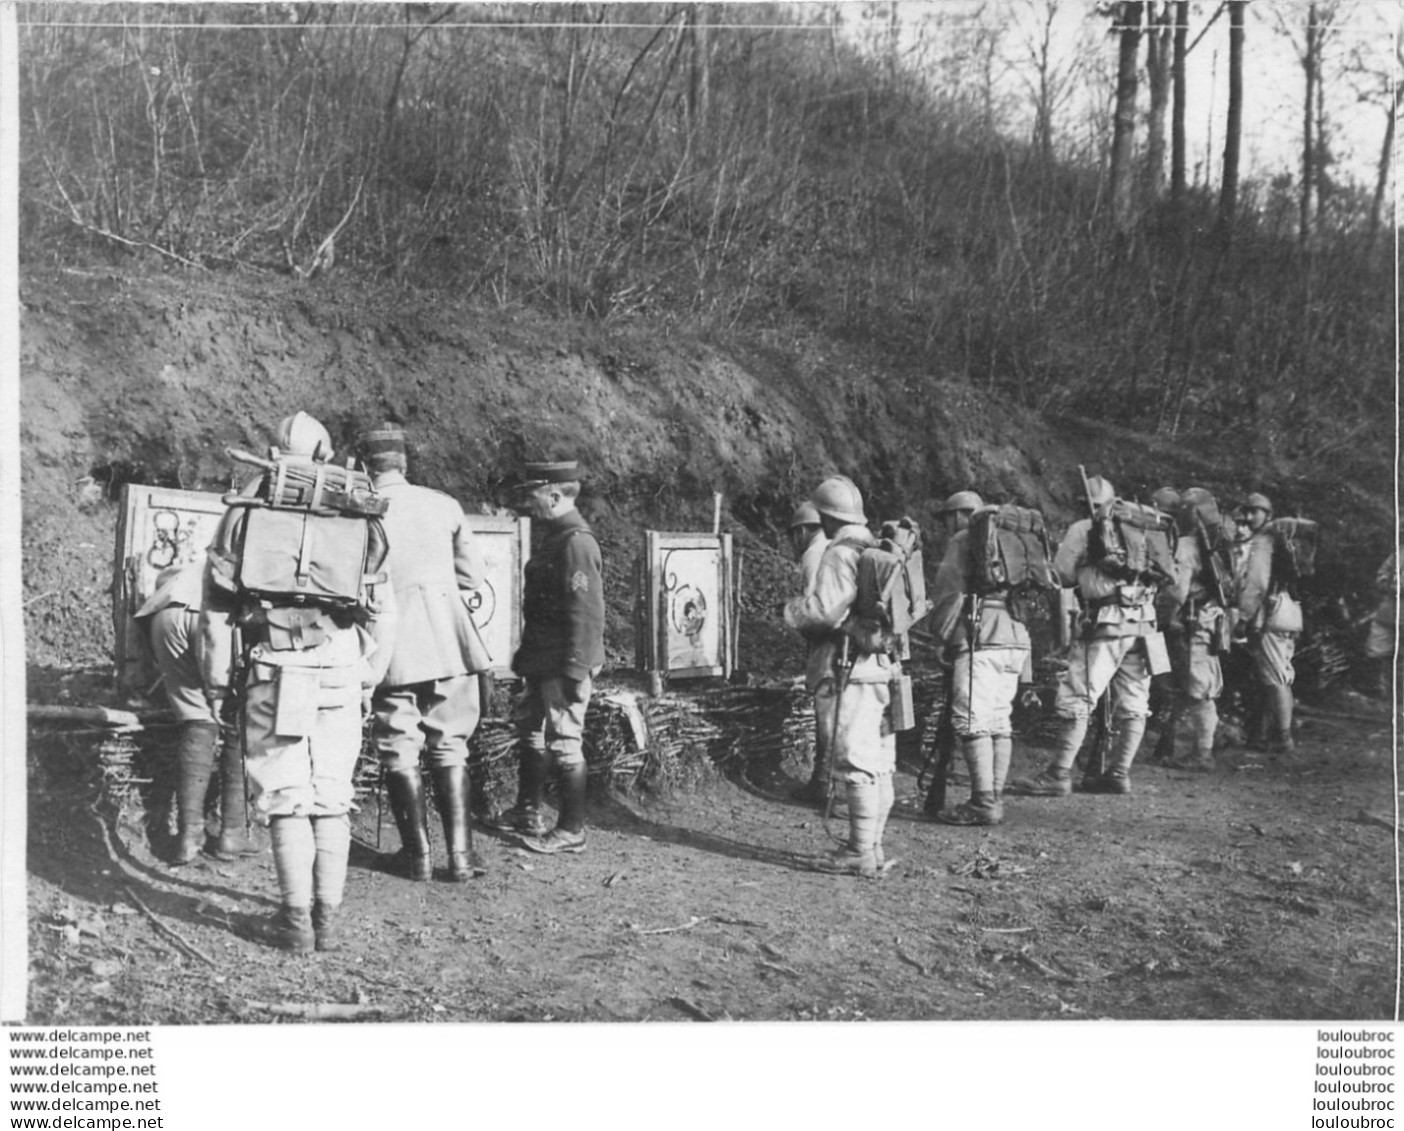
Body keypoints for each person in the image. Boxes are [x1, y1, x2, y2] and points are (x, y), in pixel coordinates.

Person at [200, 411, 397, 953]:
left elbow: (216, 610)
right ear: (324, 453)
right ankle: (327, 921)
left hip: (275, 667)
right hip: (340, 663)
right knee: (332, 798)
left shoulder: (248, 504)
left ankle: (294, 923)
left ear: (272, 449)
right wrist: (368, 678)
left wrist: (217, 685)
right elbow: (384, 604)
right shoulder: (356, 503)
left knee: (287, 798)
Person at [359, 422, 493, 883]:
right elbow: (473, 577)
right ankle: (460, 857)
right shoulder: (444, 504)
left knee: (399, 744)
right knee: (452, 741)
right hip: (449, 641)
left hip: (393, 643)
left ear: (363, 466)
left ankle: (416, 857)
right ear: (405, 464)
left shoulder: (362, 511)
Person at [1006, 474, 1168, 798]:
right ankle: (1118, 773)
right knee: (1136, 703)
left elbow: (1062, 574)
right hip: (1145, 626)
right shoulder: (1147, 529)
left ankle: (1058, 774)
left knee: (1077, 697)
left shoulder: (1083, 528)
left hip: (1106, 624)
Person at [484, 459, 605, 855]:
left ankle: (572, 829)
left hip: (562, 663)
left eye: (532, 494)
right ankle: (528, 811)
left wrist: (575, 669)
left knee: (564, 741)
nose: (526, 503)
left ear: (554, 495)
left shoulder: (575, 543)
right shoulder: (557, 537)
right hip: (542, 662)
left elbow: (585, 614)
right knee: (531, 732)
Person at [784, 475, 896, 877]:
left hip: (848, 666)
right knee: (880, 760)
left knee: (855, 760)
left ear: (828, 517)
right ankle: (874, 846)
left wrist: (792, 610)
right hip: (881, 666)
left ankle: (858, 851)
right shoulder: (874, 545)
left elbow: (824, 611)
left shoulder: (837, 552)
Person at [134, 558, 256, 865]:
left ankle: (189, 836)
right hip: (215, 621)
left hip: (167, 615)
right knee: (236, 722)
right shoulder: (251, 566)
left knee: (197, 721)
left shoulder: (191, 567)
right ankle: (232, 833)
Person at [925, 491, 1031, 825]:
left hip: (980, 636)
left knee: (971, 720)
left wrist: (941, 638)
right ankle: (992, 797)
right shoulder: (1014, 538)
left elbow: (949, 592)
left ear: (958, 515)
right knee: (999, 719)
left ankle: (982, 802)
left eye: (948, 518)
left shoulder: (964, 538)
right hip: (1015, 636)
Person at [1157, 488, 1231, 770]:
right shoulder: (1220, 541)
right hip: (1212, 618)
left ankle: (1203, 753)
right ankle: (1201, 747)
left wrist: (1164, 618)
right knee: (1199, 684)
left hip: (1193, 620)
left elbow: (1177, 591)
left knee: (1199, 687)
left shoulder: (1188, 545)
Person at [1234, 492, 1301, 754]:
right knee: (1272, 674)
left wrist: (1242, 617)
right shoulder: (1277, 540)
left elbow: (1257, 585)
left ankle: (1283, 737)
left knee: (1275, 677)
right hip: (1286, 612)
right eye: (1247, 512)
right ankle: (1265, 733)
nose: (1249, 517)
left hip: (1271, 616)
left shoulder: (1263, 541)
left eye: (1255, 512)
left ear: (1268, 515)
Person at [787, 500, 835, 805]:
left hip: (829, 645)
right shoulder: (838, 548)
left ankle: (823, 782)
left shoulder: (813, 555)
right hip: (849, 644)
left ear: (803, 530)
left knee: (826, 715)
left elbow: (812, 610)